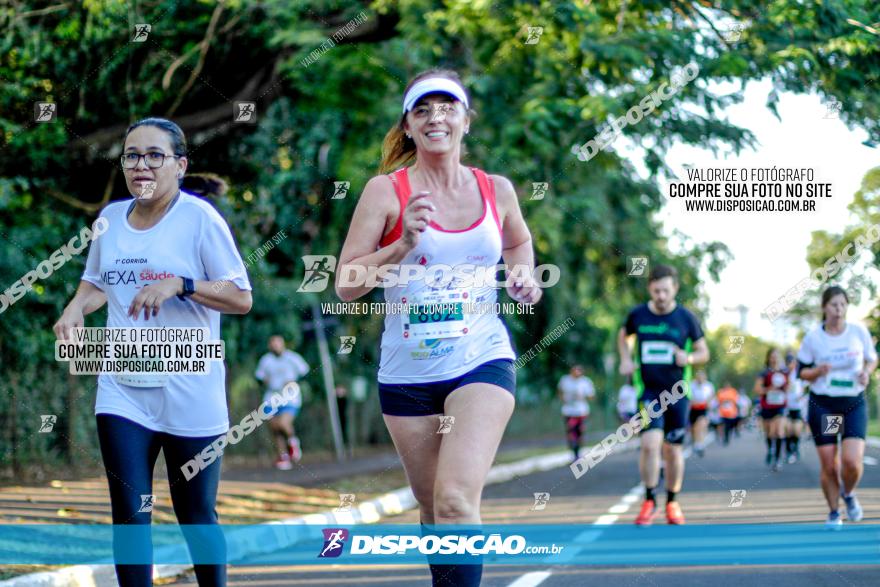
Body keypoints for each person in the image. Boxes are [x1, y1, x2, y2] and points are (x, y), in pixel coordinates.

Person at [335, 68, 542, 586]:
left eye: (447, 106)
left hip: (481, 358)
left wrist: (520, 276)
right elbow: (347, 284)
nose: (436, 117)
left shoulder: (497, 190)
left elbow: (517, 242)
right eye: (422, 109)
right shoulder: (386, 191)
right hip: (407, 372)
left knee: (454, 501)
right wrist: (402, 243)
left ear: (466, 120)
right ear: (407, 125)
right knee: (431, 509)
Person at [53, 117, 252, 587]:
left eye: (154, 156)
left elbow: (240, 295)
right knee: (129, 511)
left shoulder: (200, 219)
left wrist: (181, 284)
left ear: (180, 165)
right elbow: (97, 282)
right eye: (132, 156)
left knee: (196, 512)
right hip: (123, 385)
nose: (141, 165)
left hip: (191, 385)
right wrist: (75, 309)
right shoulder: (110, 220)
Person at [618, 264, 709, 525]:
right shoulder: (638, 315)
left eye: (665, 291)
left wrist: (688, 357)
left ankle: (672, 502)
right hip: (649, 390)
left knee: (673, 451)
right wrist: (625, 358)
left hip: (678, 392)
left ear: (675, 289)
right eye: (656, 290)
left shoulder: (686, 318)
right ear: (649, 288)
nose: (660, 296)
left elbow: (704, 352)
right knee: (649, 444)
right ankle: (649, 500)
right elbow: (622, 336)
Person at [797, 286, 877, 528]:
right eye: (834, 305)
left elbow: (872, 359)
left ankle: (849, 494)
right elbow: (801, 372)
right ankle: (833, 512)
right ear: (824, 307)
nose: (839, 309)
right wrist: (817, 371)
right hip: (825, 404)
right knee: (830, 464)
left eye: (843, 304)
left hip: (852, 402)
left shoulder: (858, 332)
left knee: (852, 462)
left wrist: (866, 372)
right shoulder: (814, 338)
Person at [255, 335, 309, 469]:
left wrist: (293, 381)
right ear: (270, 346)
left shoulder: (293, 358)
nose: (276, 346)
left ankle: (293, 442)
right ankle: (283, 457)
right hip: (271, 398)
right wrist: (264, 381)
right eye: (273, 344)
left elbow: (305, 372)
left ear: (283, 344)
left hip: (290, 397)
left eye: (278, 343)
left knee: (283, 423)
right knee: (275, 428)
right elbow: (259, 377)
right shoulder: (266, 360)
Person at [754, 348, 791, 471]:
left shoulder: (785, 372)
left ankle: (778, 459)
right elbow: (758, 390)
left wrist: (785, 388)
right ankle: (770, 449)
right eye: (772, 356)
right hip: (766, 406)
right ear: (768, 358)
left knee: (779, 431)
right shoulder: (764, 373)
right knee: (769, 432)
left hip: (780, 406)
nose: (775, 358)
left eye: (777, 356)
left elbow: (790, 388)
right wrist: (769, 389)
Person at [557, 365, 596, 462]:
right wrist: (563, 399)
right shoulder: (565, 380)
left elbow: (592, 396)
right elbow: (559, 391)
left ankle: (578, 452)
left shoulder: (585, 381)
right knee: (571, 432)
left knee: (579, 432)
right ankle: (574, 453)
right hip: (568, 411)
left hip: (581, 411)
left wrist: (583, 396)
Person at [688, 370, 714, 456]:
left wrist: (708, 404)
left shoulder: (709, 386)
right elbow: (688, 396)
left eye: (702, 377)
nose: (700, 379)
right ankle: (695, 441)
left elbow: (711, 396)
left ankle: (700, 445)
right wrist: (692, 402)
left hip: (703, 409)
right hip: (693, 409)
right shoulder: (691, 385)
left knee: (700, 425)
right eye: (698, 377)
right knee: (693, 428)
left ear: (705, 377)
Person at [785, 372, 806, 463]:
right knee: (788, 430)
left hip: (798, 408)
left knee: (796, 431)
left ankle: (796, 447)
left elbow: (806, 388)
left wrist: (801, 396)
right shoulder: (784, 374)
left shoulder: (799, 375)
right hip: (786, 408)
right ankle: (789, 451)